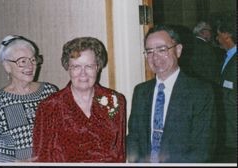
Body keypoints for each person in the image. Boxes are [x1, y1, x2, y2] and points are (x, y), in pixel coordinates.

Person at [127, 24, 216, 163]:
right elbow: (133, 137)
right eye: (149, 51)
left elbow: (202, 149)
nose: (155, 57)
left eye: (162, 49)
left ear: (178, 50)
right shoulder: (141, 92)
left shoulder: (200, 92)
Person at [32, 37, 126, 162]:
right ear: (68, 68)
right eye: (76, 67)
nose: (83, 73)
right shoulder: (49, 107)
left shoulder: (114, 100)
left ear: (97, 67)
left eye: (89, 66)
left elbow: (119, 151)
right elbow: (42, 158)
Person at [0, 35, 58, 162]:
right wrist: (17, 163)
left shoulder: (49, 92)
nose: (30, 66)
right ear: (7, 66)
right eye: (22, 61)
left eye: (32, 60)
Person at [215, 16, 237, 163]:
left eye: (218, 35)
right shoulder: (227, 56)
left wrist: (217, 96)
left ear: (227, 35)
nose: (216, 38)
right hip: (228, 125)